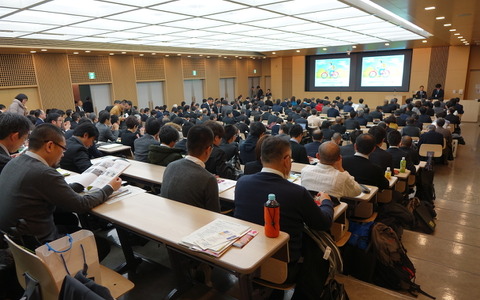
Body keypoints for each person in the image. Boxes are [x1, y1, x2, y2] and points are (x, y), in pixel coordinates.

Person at [234, 136, 333, 297]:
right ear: (286, 160)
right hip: (284, 267)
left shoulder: (242, 182)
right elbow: (323, 223)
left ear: (261, 158)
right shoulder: (298, 192)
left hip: (247, 257)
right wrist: (327, 202)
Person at [0, 124, 122, 244]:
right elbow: (81, 205)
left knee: (70, 220)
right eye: (63, 149)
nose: (63, 154)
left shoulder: (14, 162)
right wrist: (110, 187)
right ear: (50, 146)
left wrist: (79, 185)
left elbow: (54, 191)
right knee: (101, 244)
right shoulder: (44, 173)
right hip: (41, 244)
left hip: (16, 238)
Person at [160, 125, 220, 212]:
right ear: (208, 150)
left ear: (187, 144)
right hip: (195, 223)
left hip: (169, 217)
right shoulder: (208, 179)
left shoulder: (171, 166)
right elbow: (214, 213)